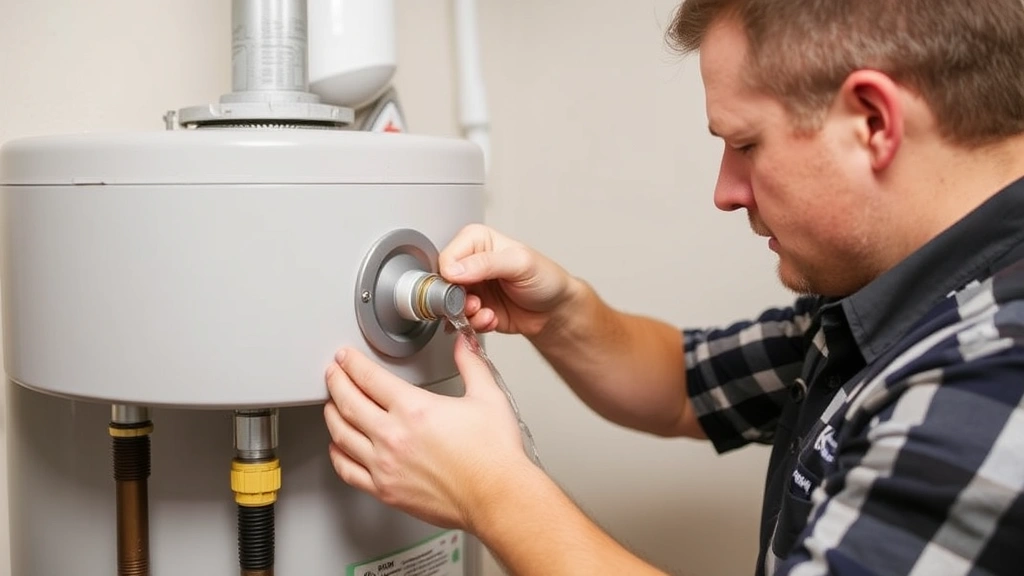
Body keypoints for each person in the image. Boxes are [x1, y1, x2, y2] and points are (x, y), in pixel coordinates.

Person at [322, 0, 1024, 574]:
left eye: (746, 144)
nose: (725, 192)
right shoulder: (895, 299)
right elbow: (683, 386)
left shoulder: (992, 383)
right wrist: (562, 310)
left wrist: (492, 494)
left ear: (873, 121)